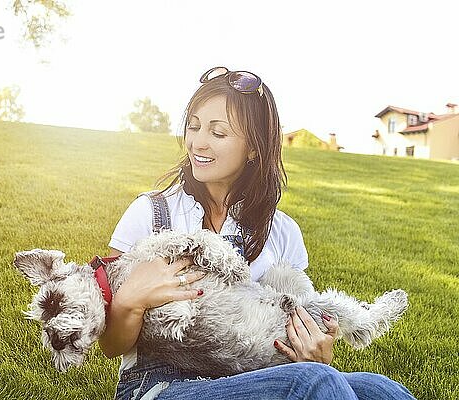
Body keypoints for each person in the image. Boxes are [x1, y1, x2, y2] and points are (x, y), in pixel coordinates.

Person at [99, 66, 415, 400]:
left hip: (254, 374)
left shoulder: (282, 232)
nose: (198, 142)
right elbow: (110, 345)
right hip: (160, 386)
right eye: (194, 126)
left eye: (218, 133)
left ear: (253, 148)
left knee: (383, 390)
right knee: (311, 384)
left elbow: (296, 332)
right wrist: (130, 300)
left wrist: (317, 353)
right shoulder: (152, 213)